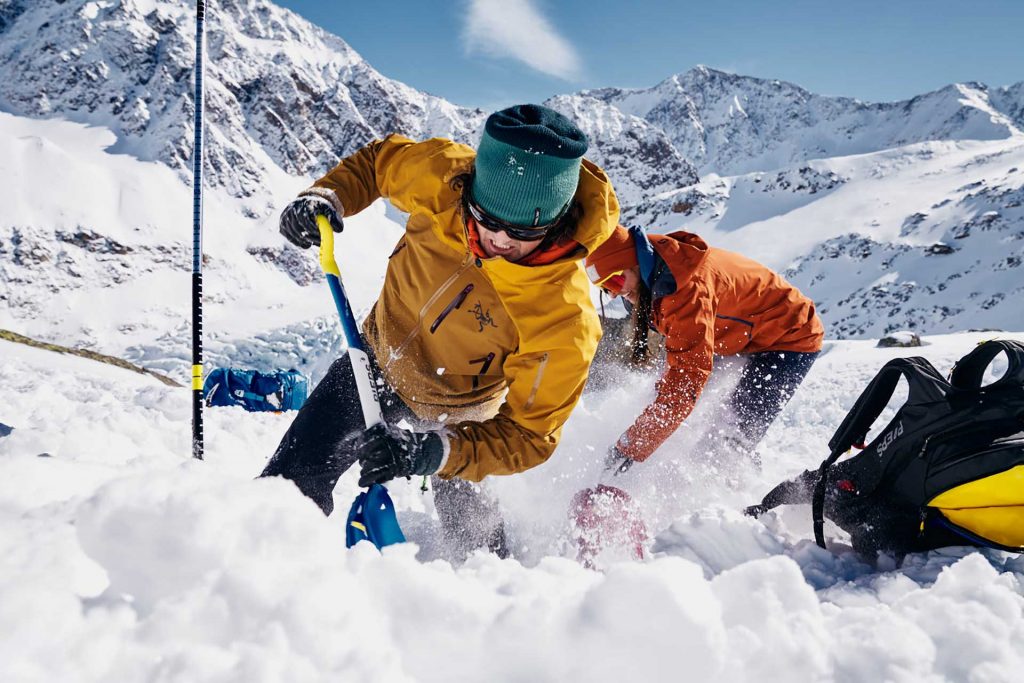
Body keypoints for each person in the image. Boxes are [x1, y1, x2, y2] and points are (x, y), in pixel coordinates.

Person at [261, 104, 620, 558]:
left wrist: (436, 452)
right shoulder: (440, 176)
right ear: (468, 190)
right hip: (371, 360)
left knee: (477, 548)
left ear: (557, 222)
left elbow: (531, 435)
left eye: (522, 232)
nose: (501, 241)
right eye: (486, 220)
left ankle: (491, 601)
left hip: (463, 412)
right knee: (284, 492)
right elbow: (377, 164)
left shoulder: (562, 318)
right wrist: (329, 195)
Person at [584, 226, 824, 474]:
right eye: (604, 287)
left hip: (790, 336)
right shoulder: (654, 278)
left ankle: (735, 493)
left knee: (731, 436)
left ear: (635, 263)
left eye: (615, 280)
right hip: (731, 334)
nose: (615, 293)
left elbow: (687, 379)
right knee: (664, 401)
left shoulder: (684, 291)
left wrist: (632, 447)